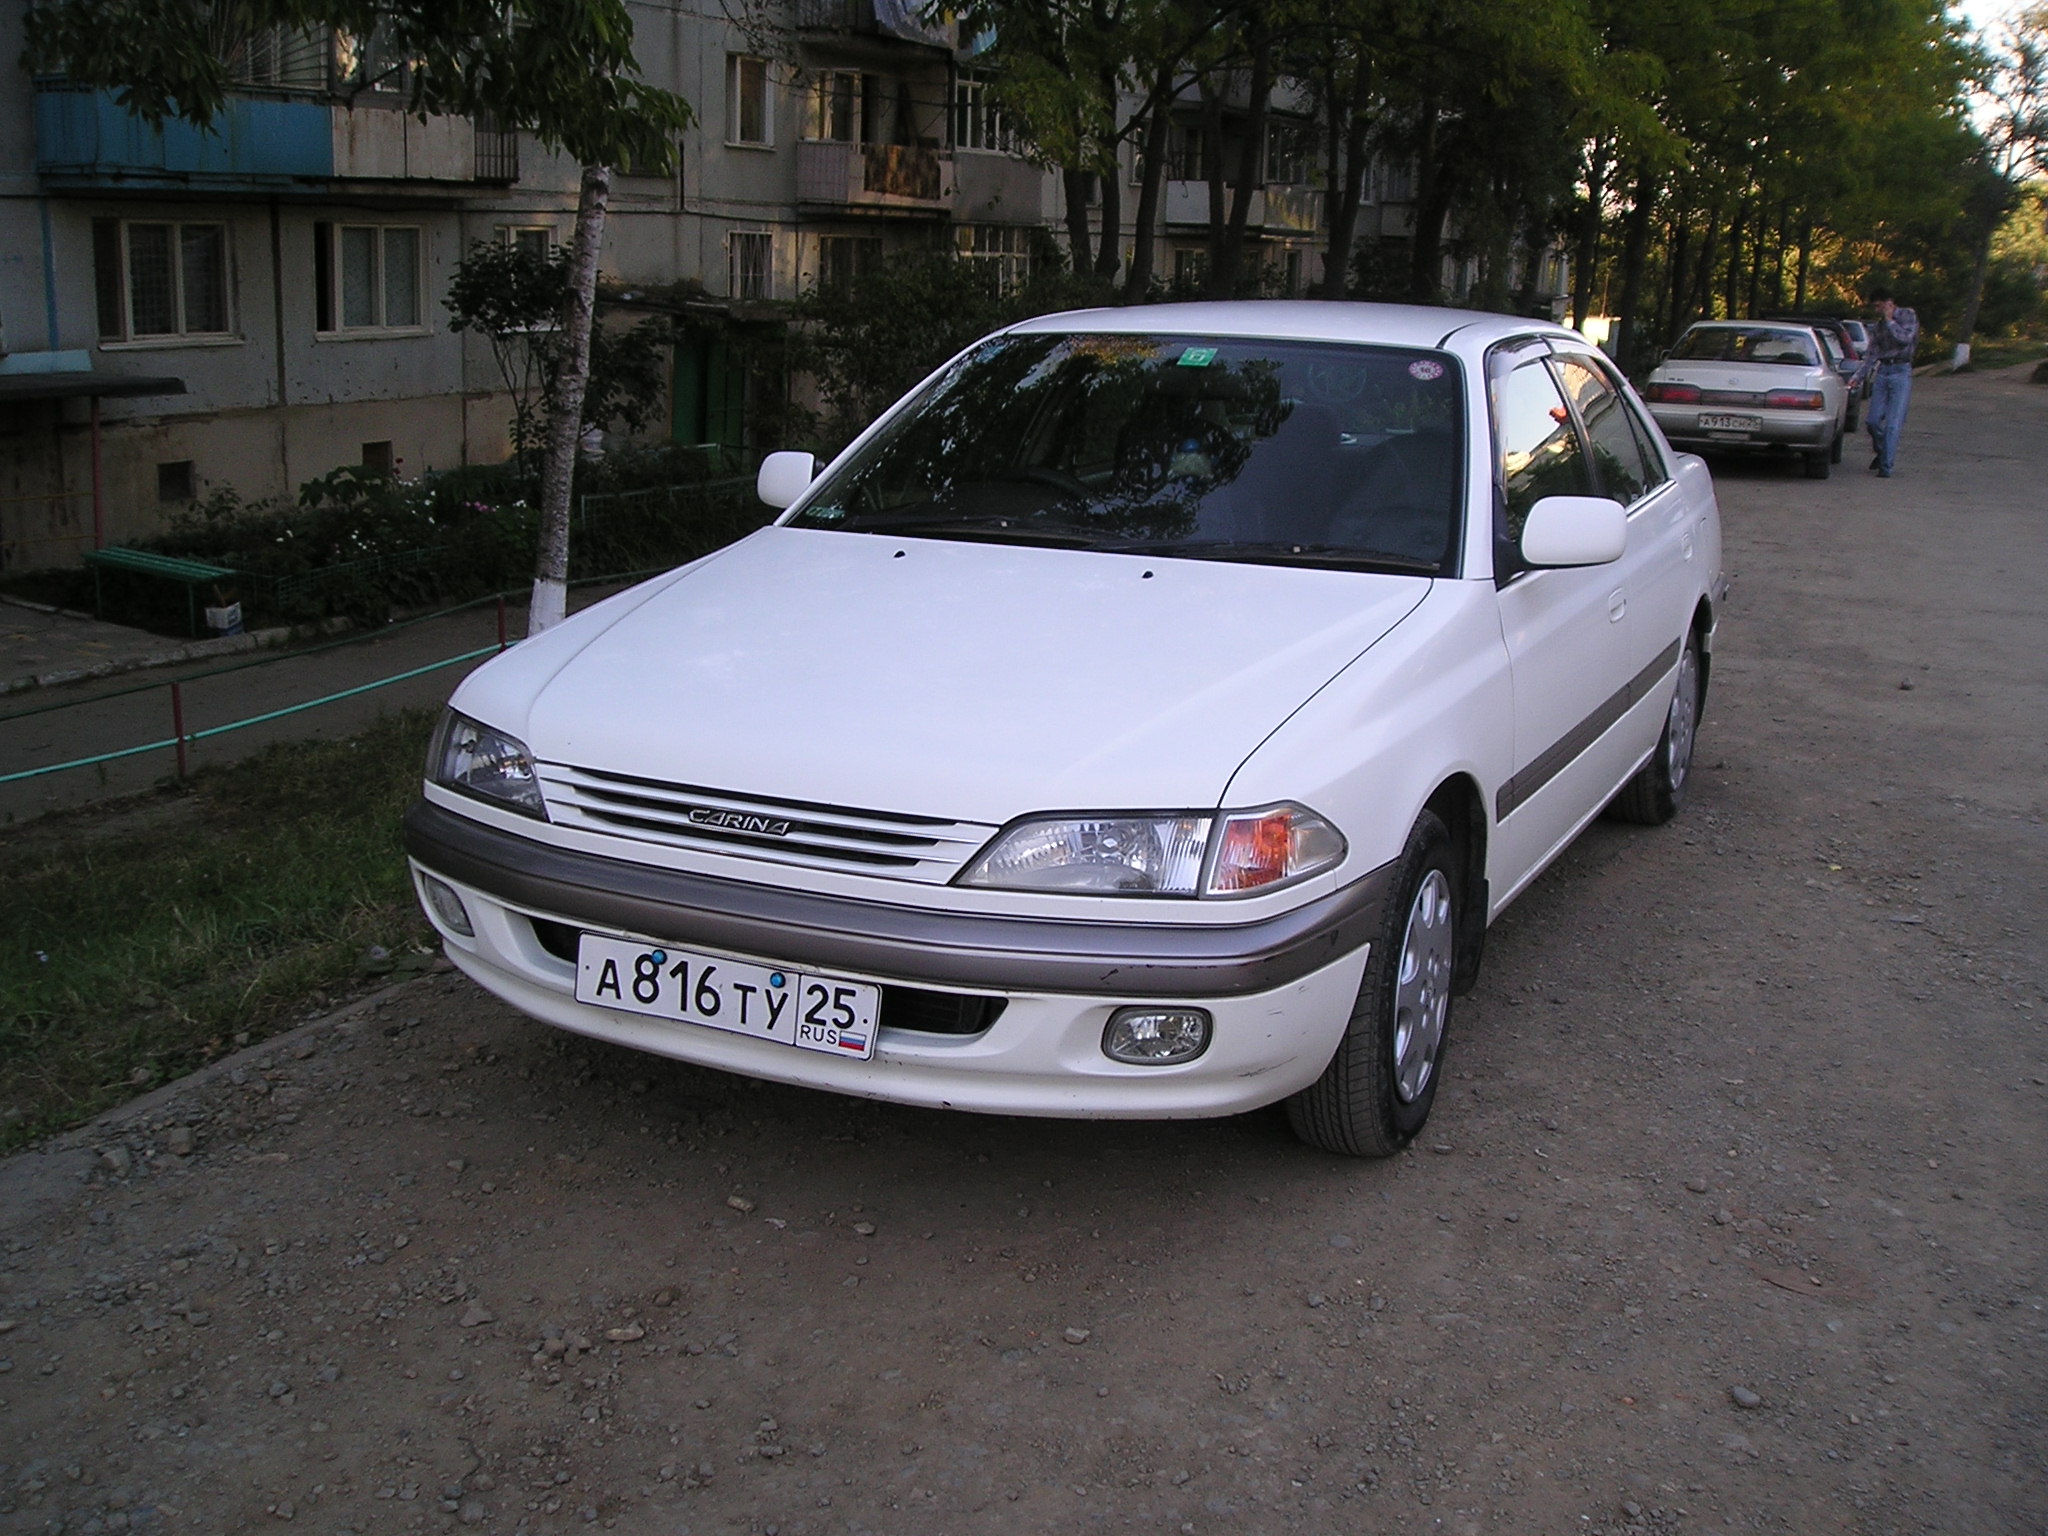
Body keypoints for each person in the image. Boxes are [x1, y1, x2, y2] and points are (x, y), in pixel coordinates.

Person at [1852, 287, 1919, 477]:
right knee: (1872, 421)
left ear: (1889, 303)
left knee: (1893, 422)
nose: (1876, 310)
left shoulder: (1907, 315)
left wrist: (1890, 321)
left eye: (1878, 306)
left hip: (1901, 371)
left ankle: (1886, 467)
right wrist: (1858, 377)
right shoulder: (1878, 326)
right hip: (1883, 371)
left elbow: (1905, 339)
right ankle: (1882, 452)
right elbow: (1872, 354)